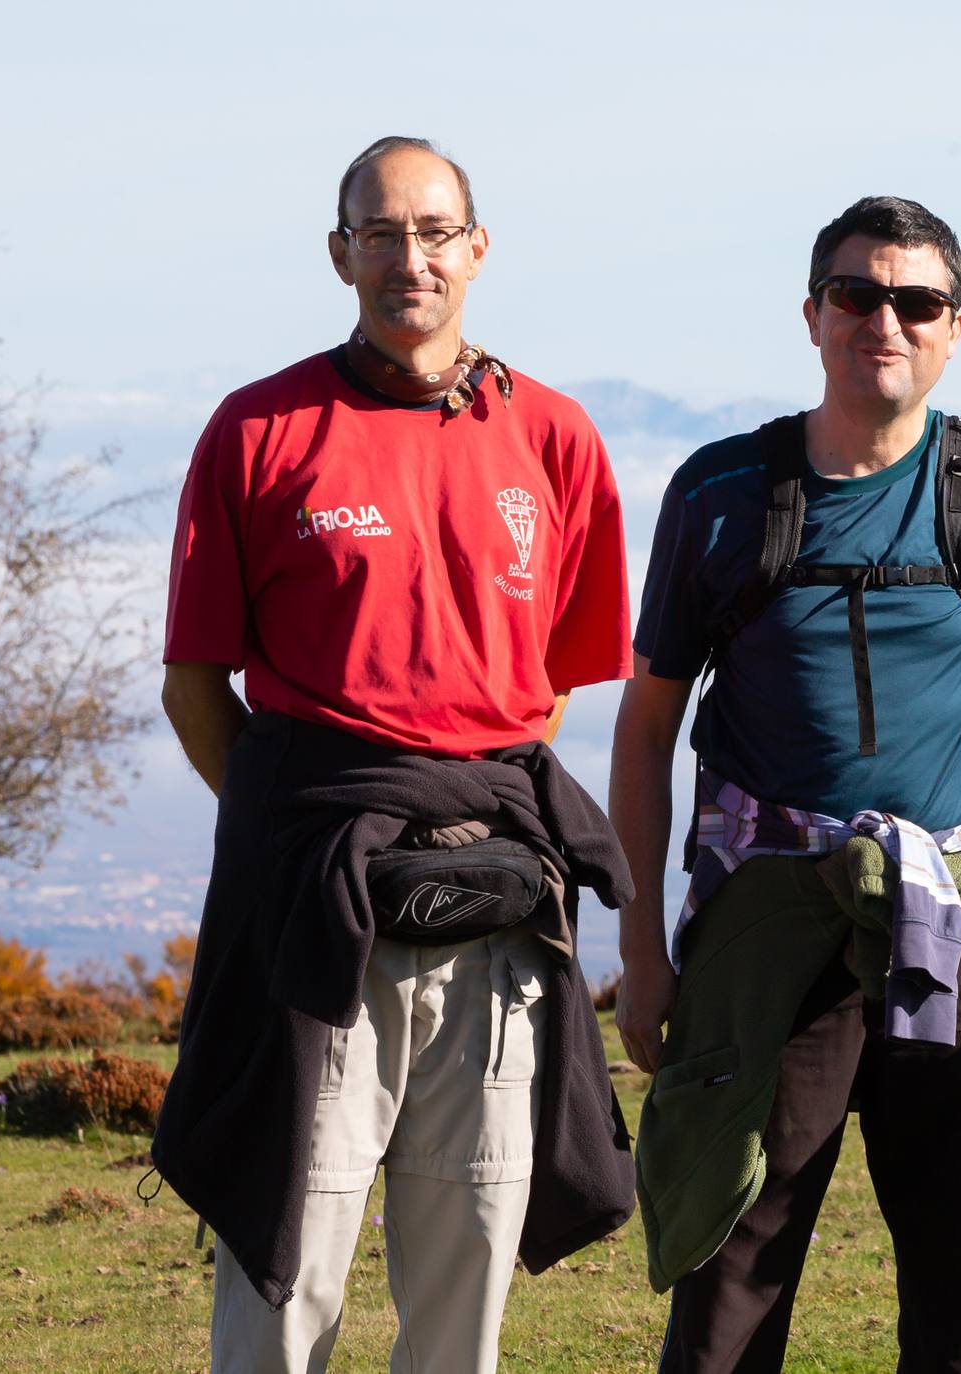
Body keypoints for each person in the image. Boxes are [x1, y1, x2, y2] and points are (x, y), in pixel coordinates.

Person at [154, 135, 637, 1374]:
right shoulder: (258, 431)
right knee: (286, 1272)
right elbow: (197, 687)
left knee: (467, 1268)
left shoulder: (560, 440)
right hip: (317, 918)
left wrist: (448, 821)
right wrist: (318, 825)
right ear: (339, 254)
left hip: (494, 915)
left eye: (433, 231)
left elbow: (549, 692)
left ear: (477, 249)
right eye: (379, 232)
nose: (407, 258)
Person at [613, 194, 961, 1374]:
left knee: (960, 1267)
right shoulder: (725, 491)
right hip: (777, 929)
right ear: (814, 317)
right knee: (735, 1257)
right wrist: (638, 951)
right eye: (857, 295)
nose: (886, 319)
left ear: (955, 328)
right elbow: (645, 730)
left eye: (915, 300)